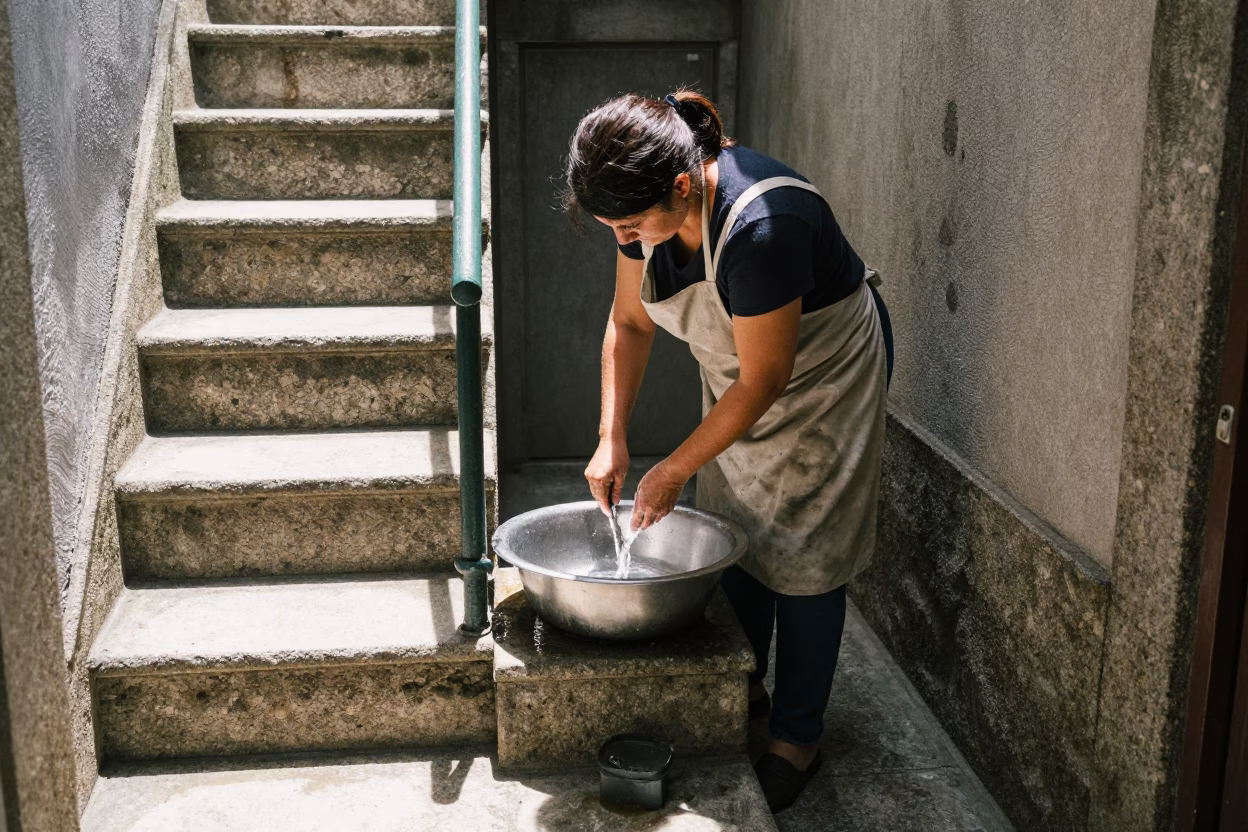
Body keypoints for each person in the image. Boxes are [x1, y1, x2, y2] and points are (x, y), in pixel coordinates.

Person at [566, 89, 894, 814]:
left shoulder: (762, 226)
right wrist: (610, 434)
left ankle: (796, 738)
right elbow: (629, 322)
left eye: (628, 224)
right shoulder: (643, 210)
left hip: (822, 374)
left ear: (683, 186)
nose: (623, 237)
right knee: (737, 526)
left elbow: (769, 377)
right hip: (741, 373)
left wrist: (675, 466)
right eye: (611, 227)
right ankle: (745, 684)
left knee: (806, 552)